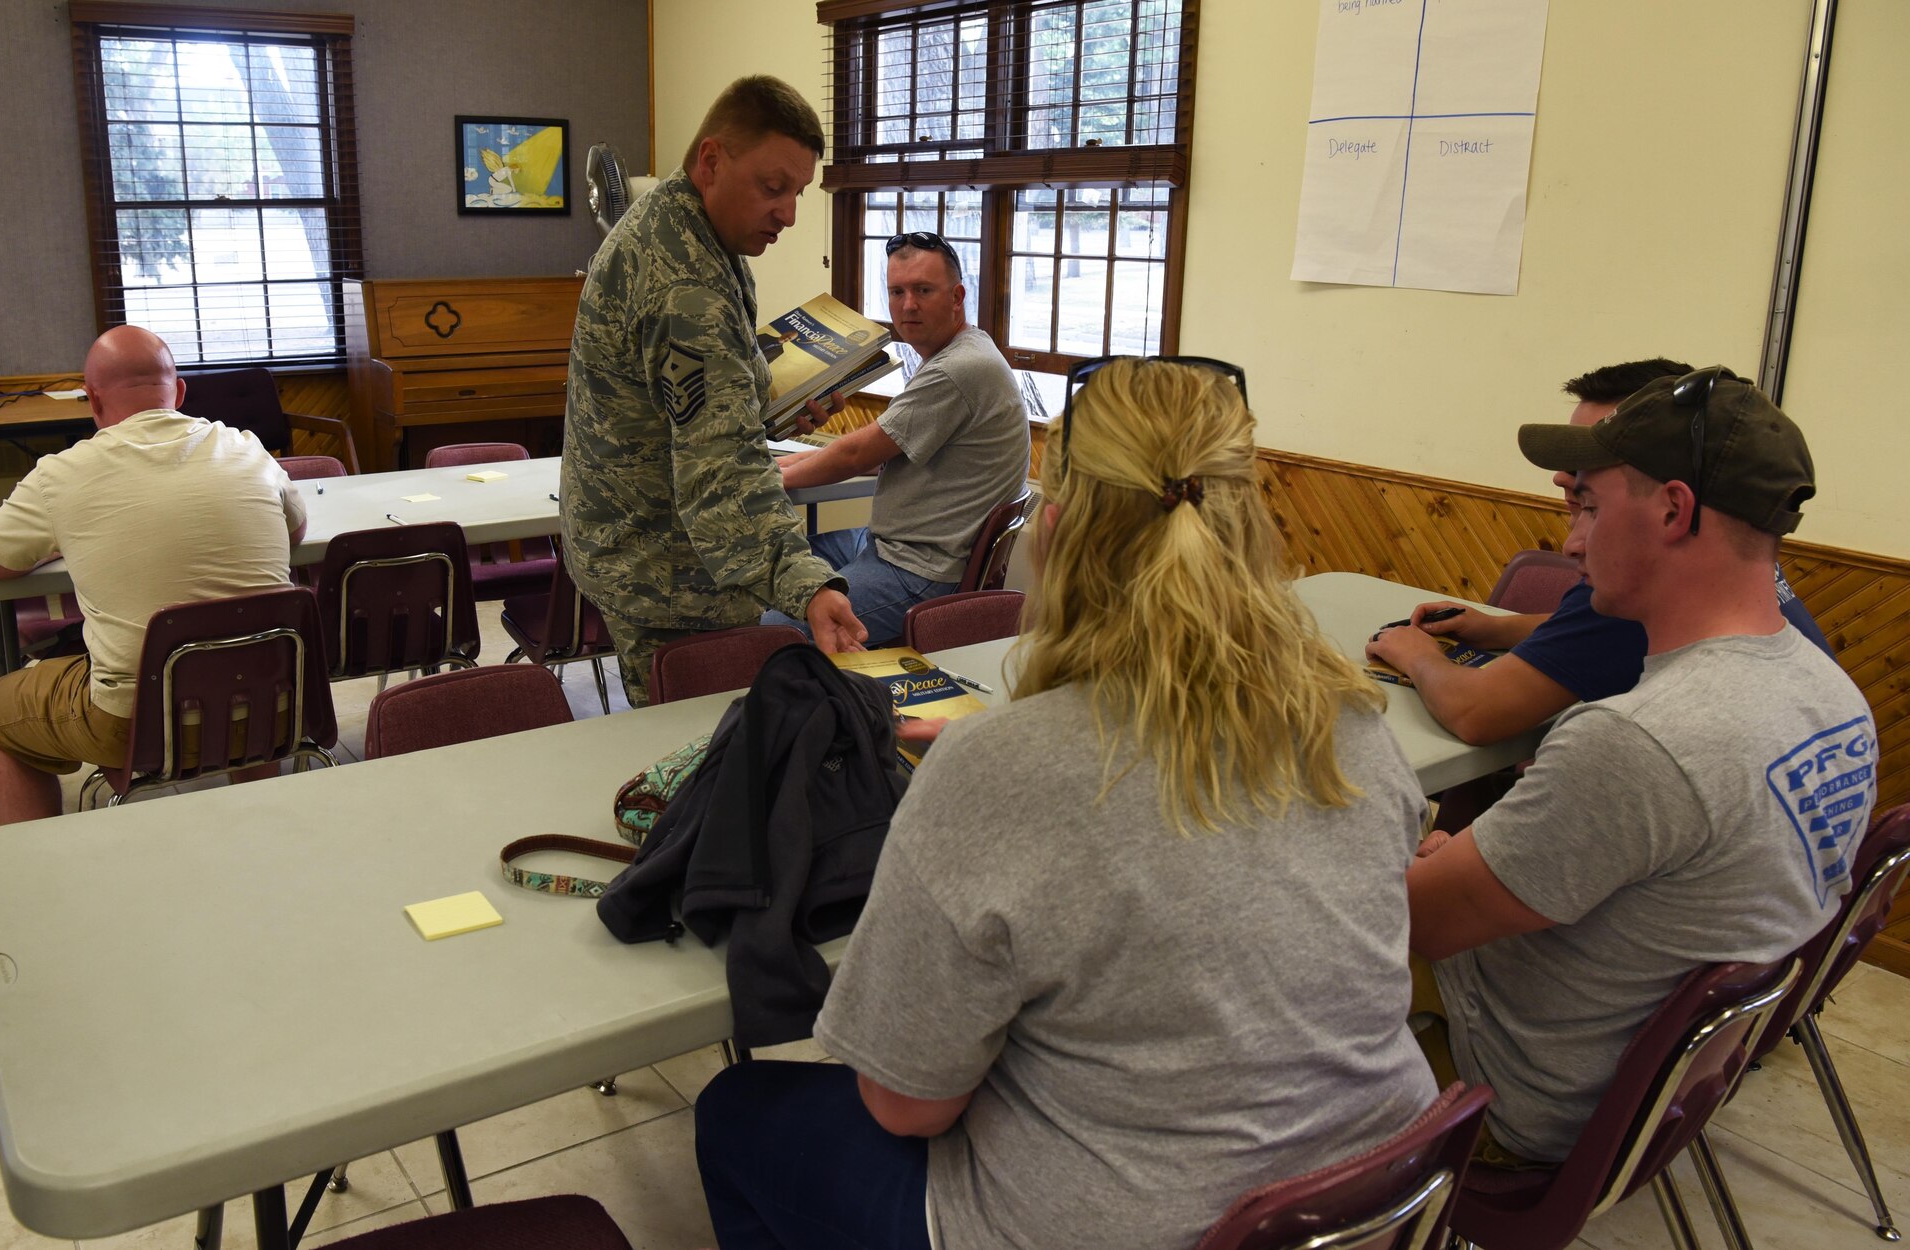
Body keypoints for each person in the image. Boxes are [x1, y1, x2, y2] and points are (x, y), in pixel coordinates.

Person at [695, 359, 1440, 1249]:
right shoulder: (1352, 721)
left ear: (1049, 530)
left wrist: (999, 765)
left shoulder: (995, 771)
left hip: (1132, 1224)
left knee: (737, 1110)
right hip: (1380, 1190)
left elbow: (905, 1107)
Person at [1404, 371, 1876, 1164]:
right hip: (1657, 1097)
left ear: (1673, 509)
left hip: (1517, 1104)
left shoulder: (1638, 742)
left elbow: (1414, 922)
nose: (1571, 542)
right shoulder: (1831, 695)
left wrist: (1427, 861)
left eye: (1587, 504)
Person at [560, 74, 864, 705]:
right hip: (669, 573)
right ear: (711, 161)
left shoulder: (681, 226)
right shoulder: (685, 287)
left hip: (648, 543)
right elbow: (720, 471)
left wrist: (770, 409)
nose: (789, 213)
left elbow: (690, 411)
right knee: (695, 766)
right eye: (774, 188)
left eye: (799, 192)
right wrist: (806, 583)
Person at [1367, 358, 1834, 746]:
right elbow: (1611, 641)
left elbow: (1477, 713)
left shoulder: (1645, 585)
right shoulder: (1730, 571)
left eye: (1592, 461)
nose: (1562, 477)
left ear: (1671, 505)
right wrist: (1491, 628)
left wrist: (1417, 654)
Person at [0, 325, 307, 824]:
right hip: (275, 699)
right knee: (245, 662)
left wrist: (59, 537)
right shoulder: (247, 448)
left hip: (140, 720)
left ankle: (38, 861)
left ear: (92, 400)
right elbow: (294, 532)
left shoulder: (61, 475)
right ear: (181, 392)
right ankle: (257, 823)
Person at [768, 232, 1029, 643]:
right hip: (891, 546)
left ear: (957, 296)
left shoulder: (957, 369)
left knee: (767, 633)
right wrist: (780, 465)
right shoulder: (964, 350)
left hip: (917, 571)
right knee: (768, 566)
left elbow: (856, 454)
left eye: (923, 290)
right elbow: (885, 448)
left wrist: (769, 478)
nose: (908, 305)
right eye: (897, 291)